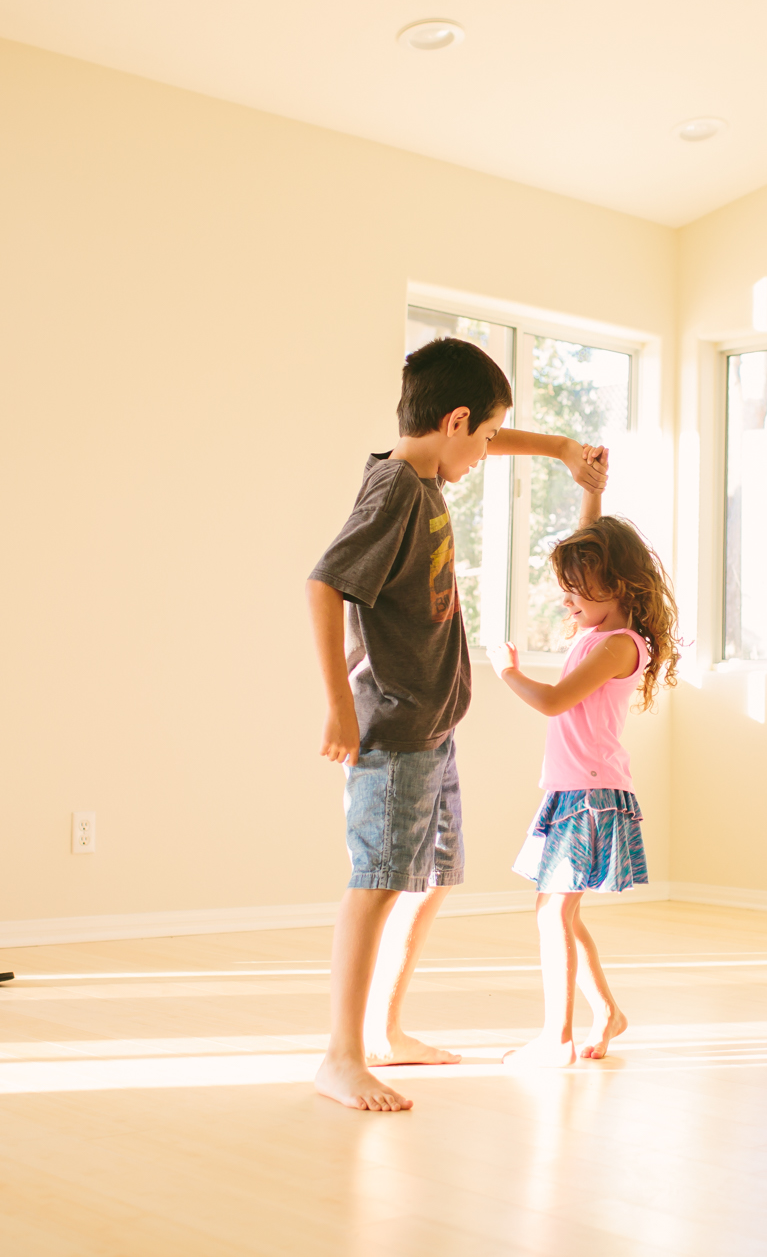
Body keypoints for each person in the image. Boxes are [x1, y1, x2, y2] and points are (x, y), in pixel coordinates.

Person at [306, 335, 606, 1113]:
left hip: (434, 730)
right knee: (377, 881)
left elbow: (490, 434)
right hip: (396, 729)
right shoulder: (398, 490)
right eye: (482, 437)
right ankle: (340, 1055)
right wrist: (339, 701)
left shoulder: (426, 466)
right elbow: (324, 584)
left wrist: (561, 450)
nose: (482, 456)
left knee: (428, 878)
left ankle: (383, 1031)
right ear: (455, 422)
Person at [484, 473, 679, 1067]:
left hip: (591, 795)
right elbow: (591, 546)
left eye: (576, 590)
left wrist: (507, 672)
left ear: (616, 587)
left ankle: (558, 1039)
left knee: (554, 911)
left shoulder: (618, 645)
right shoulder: (600, 628)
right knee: (560, 911)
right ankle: (607, 1014)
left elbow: (553, 700)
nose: (566, 600)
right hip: (572, 791)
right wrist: (590, 492)